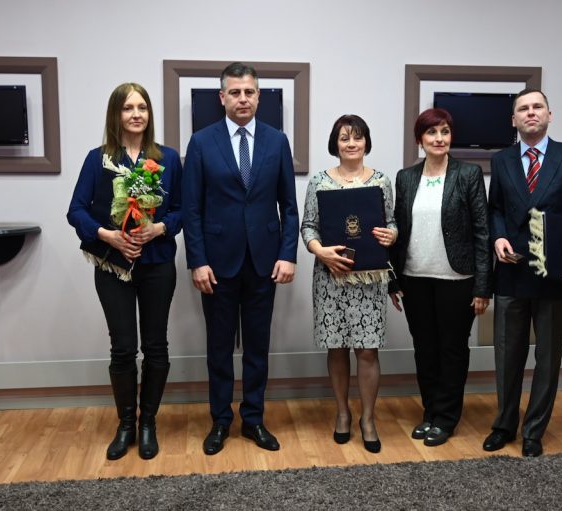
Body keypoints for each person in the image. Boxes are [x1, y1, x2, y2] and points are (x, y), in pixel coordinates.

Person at [182, 62, 299, 455]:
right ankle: (220, 421)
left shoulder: (276, 141)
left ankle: (253, 419)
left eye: (249, 92)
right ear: (222, 97)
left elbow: (289, 207)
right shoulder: (201, 142)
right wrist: (197, 261)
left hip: (264, 262)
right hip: (216, 264)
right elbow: (191, 209)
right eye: (235, 92)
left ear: (259, 96)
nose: (242, 99)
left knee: (257, 347)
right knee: (218, 348)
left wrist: (287, 255)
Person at [483, 88, 562, 457]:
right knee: (507, 355)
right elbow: (495, 208)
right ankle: (504, 424)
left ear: (550, 115)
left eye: (538, 107)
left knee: (548, 357)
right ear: (513, 120)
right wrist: (498, 237)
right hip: (512, 271)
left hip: (557, 274)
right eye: (523, 109)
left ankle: (534, 430)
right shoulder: (502, 160)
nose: (531, 113)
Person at [67, 83, 183, 460]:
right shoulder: (98, 159)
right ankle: (126, 425)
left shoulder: (168, 159)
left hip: (157, 264)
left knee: (155, 346)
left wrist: (160, 228)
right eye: (128, 108)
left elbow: (184, 209)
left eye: (142, 107)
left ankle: (148, 423)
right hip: (113, 266)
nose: (136, 114)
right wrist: (108, 236)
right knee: (123, 348)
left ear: (149, 114)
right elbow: (76, 210)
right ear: (116, 114)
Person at [389, 108, 492, 447]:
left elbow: (482, 232)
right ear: (419, 139)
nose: (439, 138)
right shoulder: (406, 177)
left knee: (452, 350)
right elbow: (398, 229)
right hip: (414, 277)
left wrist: (483, 286)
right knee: (425, 350)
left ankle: (446, 418)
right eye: (431, 132)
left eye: (444, 131)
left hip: (457, 279)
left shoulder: (468, 174)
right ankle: (430, 412)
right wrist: (393, 279)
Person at [301, 114, 397, 453]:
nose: (351, 143)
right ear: (335, 144)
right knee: (337, 347)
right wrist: (320, 251)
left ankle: (367, 418)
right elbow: (308, 227)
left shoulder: (382, 181)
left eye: (357, 137)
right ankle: (342, 413)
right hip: (331, 277)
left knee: (367, 350)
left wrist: (392, 234)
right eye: (344, 138)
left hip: (369, 279)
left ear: (366, 142)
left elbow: (392, 222)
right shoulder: (319, 181)